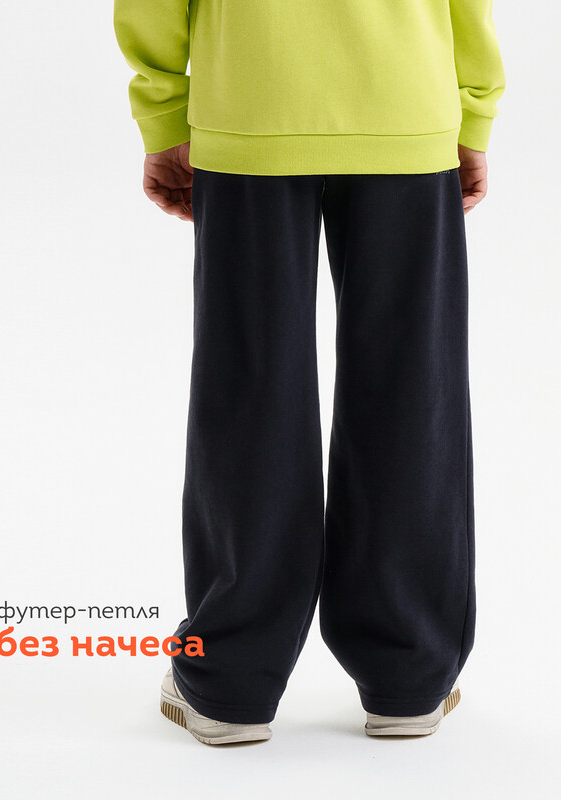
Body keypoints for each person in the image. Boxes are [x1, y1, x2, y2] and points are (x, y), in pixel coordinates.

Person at [113, 0, 505, 745]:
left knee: (249, 385)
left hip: (250, 105)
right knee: (410, 390)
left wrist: (164, 110)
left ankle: (230, 681)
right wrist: (471, 109)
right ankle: (409, 673)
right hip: (406, 100)